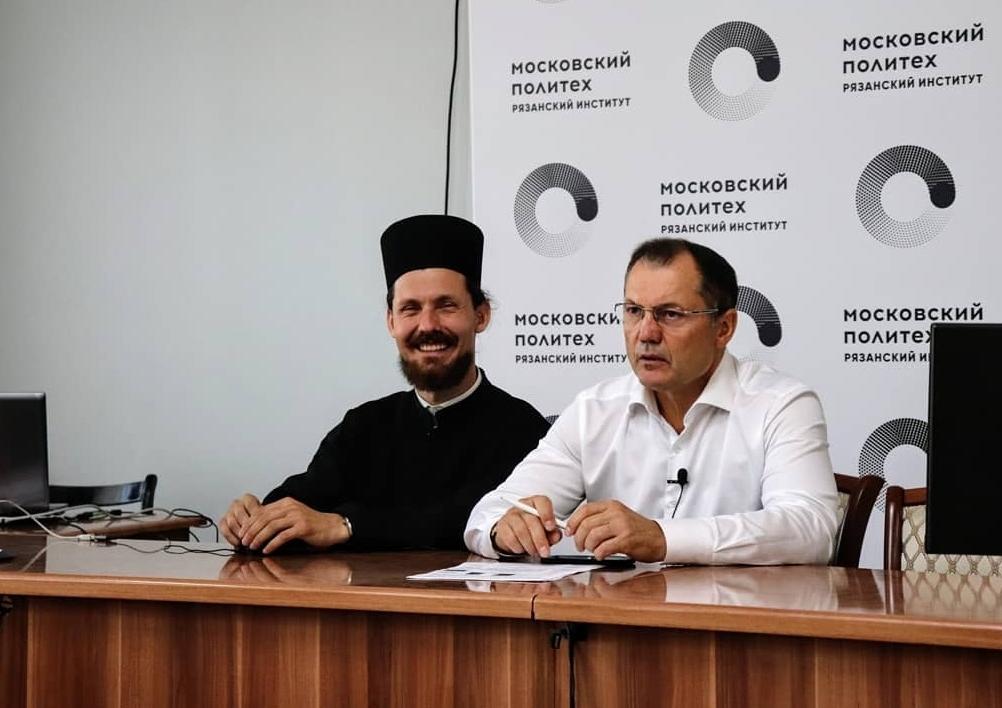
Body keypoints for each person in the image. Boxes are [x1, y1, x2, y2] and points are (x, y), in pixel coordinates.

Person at [465, 238, 838, 565]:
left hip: (738, 620)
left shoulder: (780, 404)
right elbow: (489, 515)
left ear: (723, 328)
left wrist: (662, 538)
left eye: (670, 314)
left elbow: (811, 528)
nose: (646, 333)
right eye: (633, 311)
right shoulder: (594, 410)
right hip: (616, 619)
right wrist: (505, 530)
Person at [222, 215, 549, 554]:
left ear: (480, 316)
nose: (427, 325)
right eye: (410, 309)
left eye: (446, 306)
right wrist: (256, 517)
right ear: (391, 321)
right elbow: (305, 501)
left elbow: (468, 518)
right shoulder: (364, 426)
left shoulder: (522, 430)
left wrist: (346, 525)